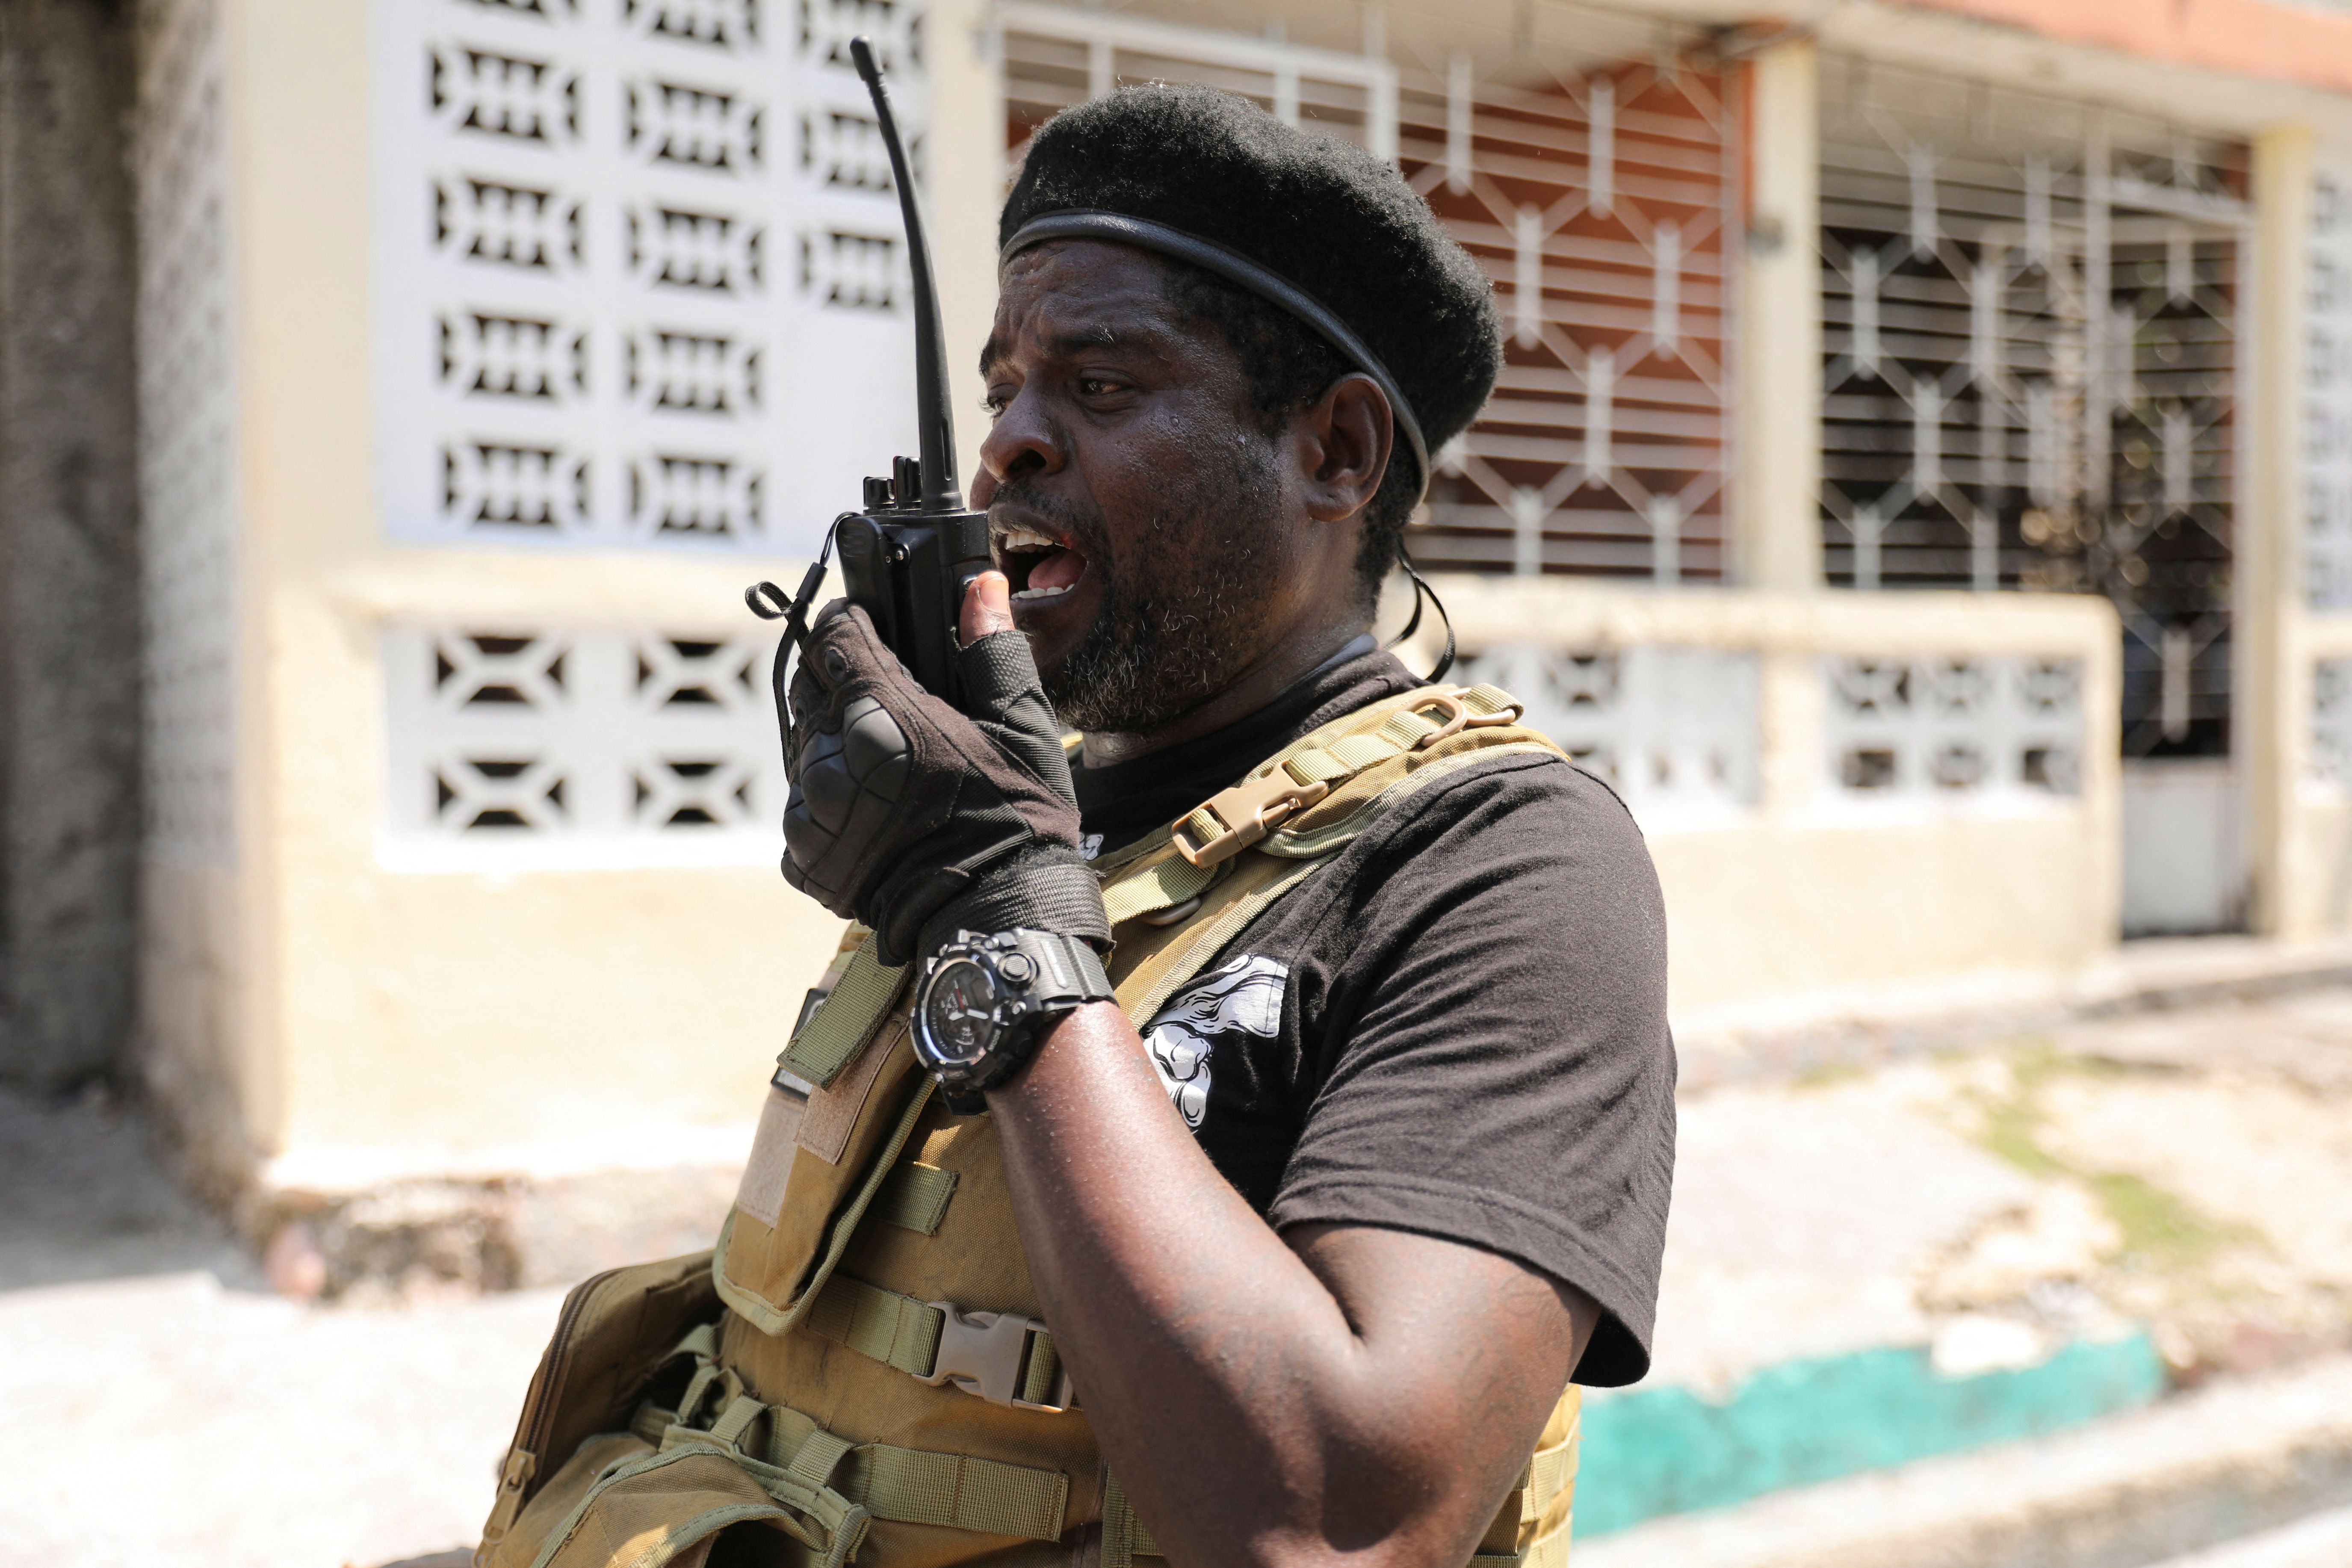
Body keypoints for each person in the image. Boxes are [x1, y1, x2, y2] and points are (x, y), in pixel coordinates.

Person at [476, 85, 1674, 1568]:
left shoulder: (1507, 866)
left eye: (1100, 389)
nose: (1010, 450)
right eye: (1005, 392)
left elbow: (1336, 1521)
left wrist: (1000, 925)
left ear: (1337, 455)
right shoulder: (1018, 816)